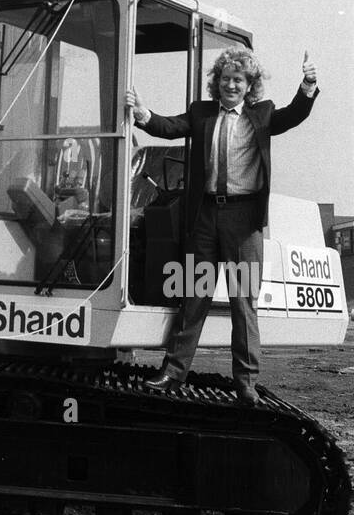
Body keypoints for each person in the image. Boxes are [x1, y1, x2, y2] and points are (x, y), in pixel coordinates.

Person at [125, 49, 318, 403]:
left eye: (239, 80)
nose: (231, 85)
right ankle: (172, 372)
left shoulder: (263, 114)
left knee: (242, 302)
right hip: (204, 219)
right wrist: (143, 115)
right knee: (193, 297)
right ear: (218, 83)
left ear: (249, 86)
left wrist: (307, 84)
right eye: (226, 78)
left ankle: (245, 382)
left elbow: (294, 115)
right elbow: (170, 127)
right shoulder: (201, 112)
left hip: (243, 222)